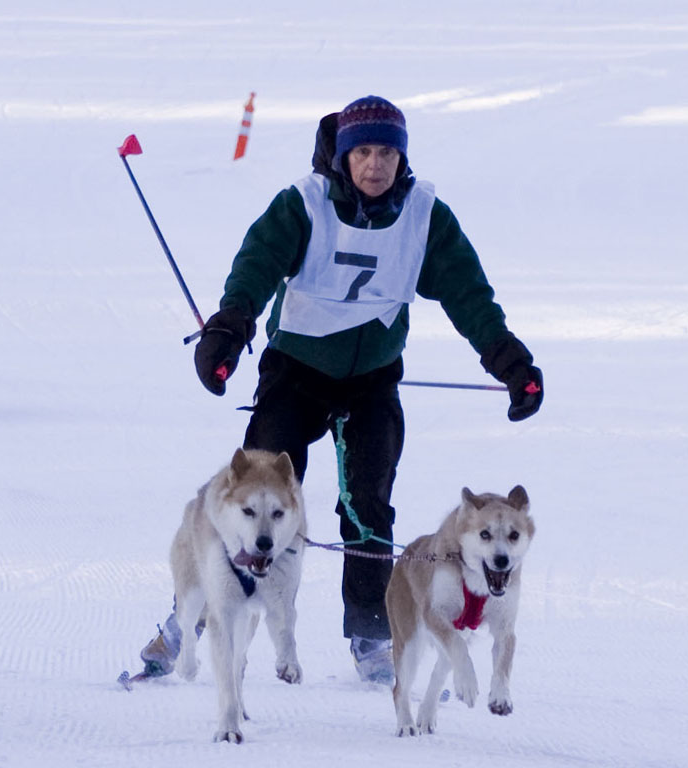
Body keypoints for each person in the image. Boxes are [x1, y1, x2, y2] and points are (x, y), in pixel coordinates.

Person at [139, 95, 543, 684]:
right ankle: (187, 622)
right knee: (250, 497)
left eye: (386, 152)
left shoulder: (425, 215)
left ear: (400, 158)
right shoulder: (304, 203)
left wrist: (510, 362)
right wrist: (228, 329)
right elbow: (257, 264)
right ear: (342, 155)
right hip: (294, 373)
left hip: (371, 382)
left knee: (370, 504)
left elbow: (469, 294)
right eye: (362, 152)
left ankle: (372, 637)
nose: (374, 165)